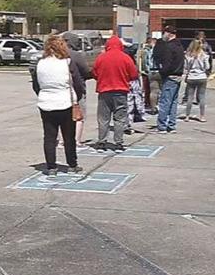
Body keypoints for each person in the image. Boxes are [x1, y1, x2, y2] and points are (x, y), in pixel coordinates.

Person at [32, 35, 85, 176]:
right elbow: (78, 83)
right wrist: (77, 97)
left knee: (49, 136)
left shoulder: (40, 63)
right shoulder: (67, 62)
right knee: (69, 136)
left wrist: (43, 94)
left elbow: (36, 84)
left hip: (46, 102)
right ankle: (72, 164)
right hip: (65, 102)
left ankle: (51, 167)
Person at [93, 36, 139, 151]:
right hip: (121, 91)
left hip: (104, 91)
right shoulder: (126, 58)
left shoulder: (101, 58)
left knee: (103, 118)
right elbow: (134, 75)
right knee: (120, 118)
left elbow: (94, 73)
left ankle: (102, 142)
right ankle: (118, 142)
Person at [61, 32, 92, 147]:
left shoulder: (55, 55)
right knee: (79, 115)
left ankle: (62, 140)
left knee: (63, 116)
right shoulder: (76, 55)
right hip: (76, 88)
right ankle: (76, 140)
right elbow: (86, 71)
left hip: (61, 89)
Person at [153, 26, 185, 133]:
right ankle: (171, 125)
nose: (163, 35)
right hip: (178, 76)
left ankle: (162, 125)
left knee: (165, 102)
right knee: (173, 102)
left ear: (169, 33)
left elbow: (167, 64)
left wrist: (162, 71)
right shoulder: (180, 46)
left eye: (164, 33)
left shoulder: (169, 47)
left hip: (170, 76)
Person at [183, 39, 211, 122]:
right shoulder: (204, 55)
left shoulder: (188, 55)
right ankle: (202, 116)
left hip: (191, 77)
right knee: (201, 97)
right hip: (202, 77)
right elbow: (207, 67)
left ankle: (187, 116)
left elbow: (186, 67)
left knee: (190, 97)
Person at [126, 41, 146, 130]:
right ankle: (128, 122)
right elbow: (134, 47)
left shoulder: (129, 57)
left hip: (134, 82)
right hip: (130, 82)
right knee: (130, 102)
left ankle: (134, 117)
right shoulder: (126, 57)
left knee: (136, 100)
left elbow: (135, 47)